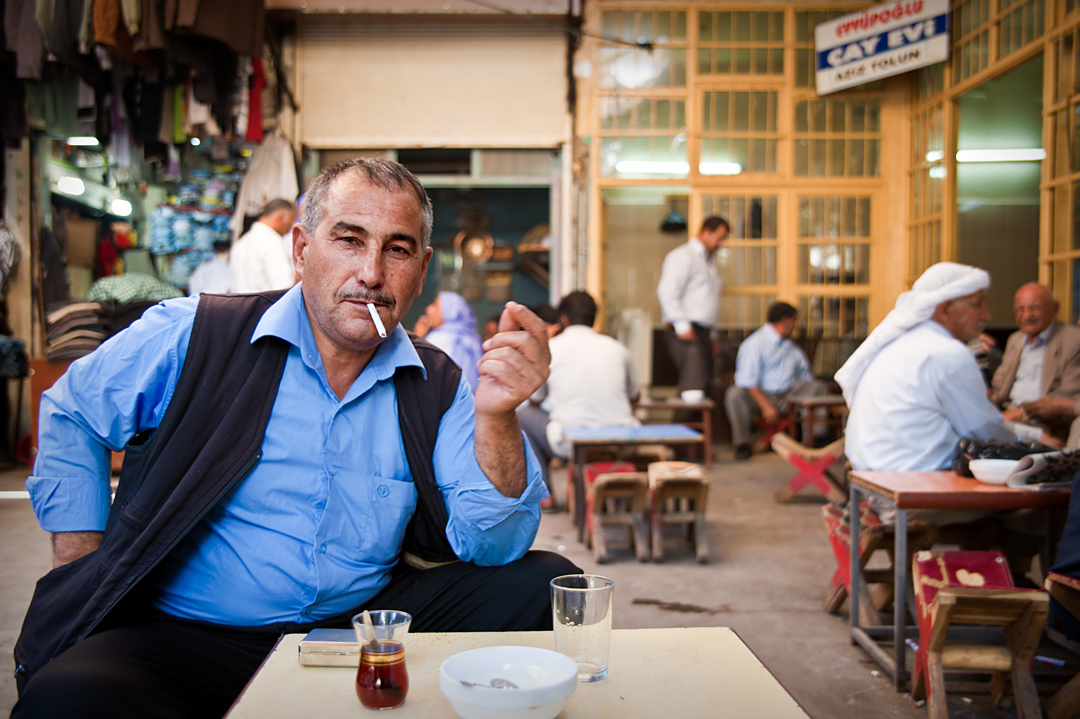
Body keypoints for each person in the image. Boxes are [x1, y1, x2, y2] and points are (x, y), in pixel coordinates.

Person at [13, 158, 578, 718]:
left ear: (422, 268)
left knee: (546, 584)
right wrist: (80, 567)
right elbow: (73, 410)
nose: (372, 273)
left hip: (364, 629)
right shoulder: (196, 333)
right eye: (349, 241)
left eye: (398, 249)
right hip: (191, 635)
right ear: (303, 249)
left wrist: (499, 414)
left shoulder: (439, 384)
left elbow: (494, 546)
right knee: (68, 698)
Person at [838, 262, 1060, 487]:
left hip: (874, 483)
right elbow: (986, 432)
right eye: (978, 304)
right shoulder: (946, 353)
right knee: (1046, 496)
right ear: (944, 310)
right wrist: (1040, 441)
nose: (987, 315)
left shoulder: (906, 343)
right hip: (916, 489)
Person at [518, 290, 641, 495]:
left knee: (523, 416)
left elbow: (535, 400)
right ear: (594, 319)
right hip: (620, 441)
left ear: (563, 320)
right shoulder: (618, 348)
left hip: (570, 444)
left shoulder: (551, 349)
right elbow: (635, 398)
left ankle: (544, 495)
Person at [724, 302, 828, 459]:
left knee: (817, 387)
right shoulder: (755, 344)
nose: (795, 326)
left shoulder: (792, 347)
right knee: (734, 394)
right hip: (760, 396)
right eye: (794, 321)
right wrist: (766, 406)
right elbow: (747, 381)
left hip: (788, 395)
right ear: (785, 321)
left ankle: (815, 441)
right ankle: (742, 444)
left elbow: (805, 377)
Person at [990, 282, 1080, 443]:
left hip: (1043, 425)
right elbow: (1000, 384)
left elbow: (1063, 399)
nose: (1026, 315)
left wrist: (1019, 413)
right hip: (1006, 417)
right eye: (1020, 308)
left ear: (1055, 308)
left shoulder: (1073, 340)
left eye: (1034, 308)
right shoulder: (1015, 339)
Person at [656, 216, 728, 401]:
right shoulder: (683, 256)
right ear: (705, 233)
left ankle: (693, 430)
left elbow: (706, 301)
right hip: (686, 332)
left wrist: (712, 335)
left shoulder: (709, 262)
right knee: (693, 387)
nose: (722, 243)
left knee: (703, 387)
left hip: (703, 333)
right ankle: (676, 430)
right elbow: (667, 291)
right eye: (719, 238)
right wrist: (681, 325)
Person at [412, 290, 484, 391]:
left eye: (435, 305)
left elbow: (414, 374)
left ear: (449, 312)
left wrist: (417, 337)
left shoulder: (439, 338)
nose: (428, 309)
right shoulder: (471, 338)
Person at [229, 198, 297, 293]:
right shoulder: (272, 241)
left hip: (242, 306)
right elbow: (284, 286)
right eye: (290, 224)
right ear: (280, 218)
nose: (289, 230)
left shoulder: (241, 243)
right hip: (266, 306)